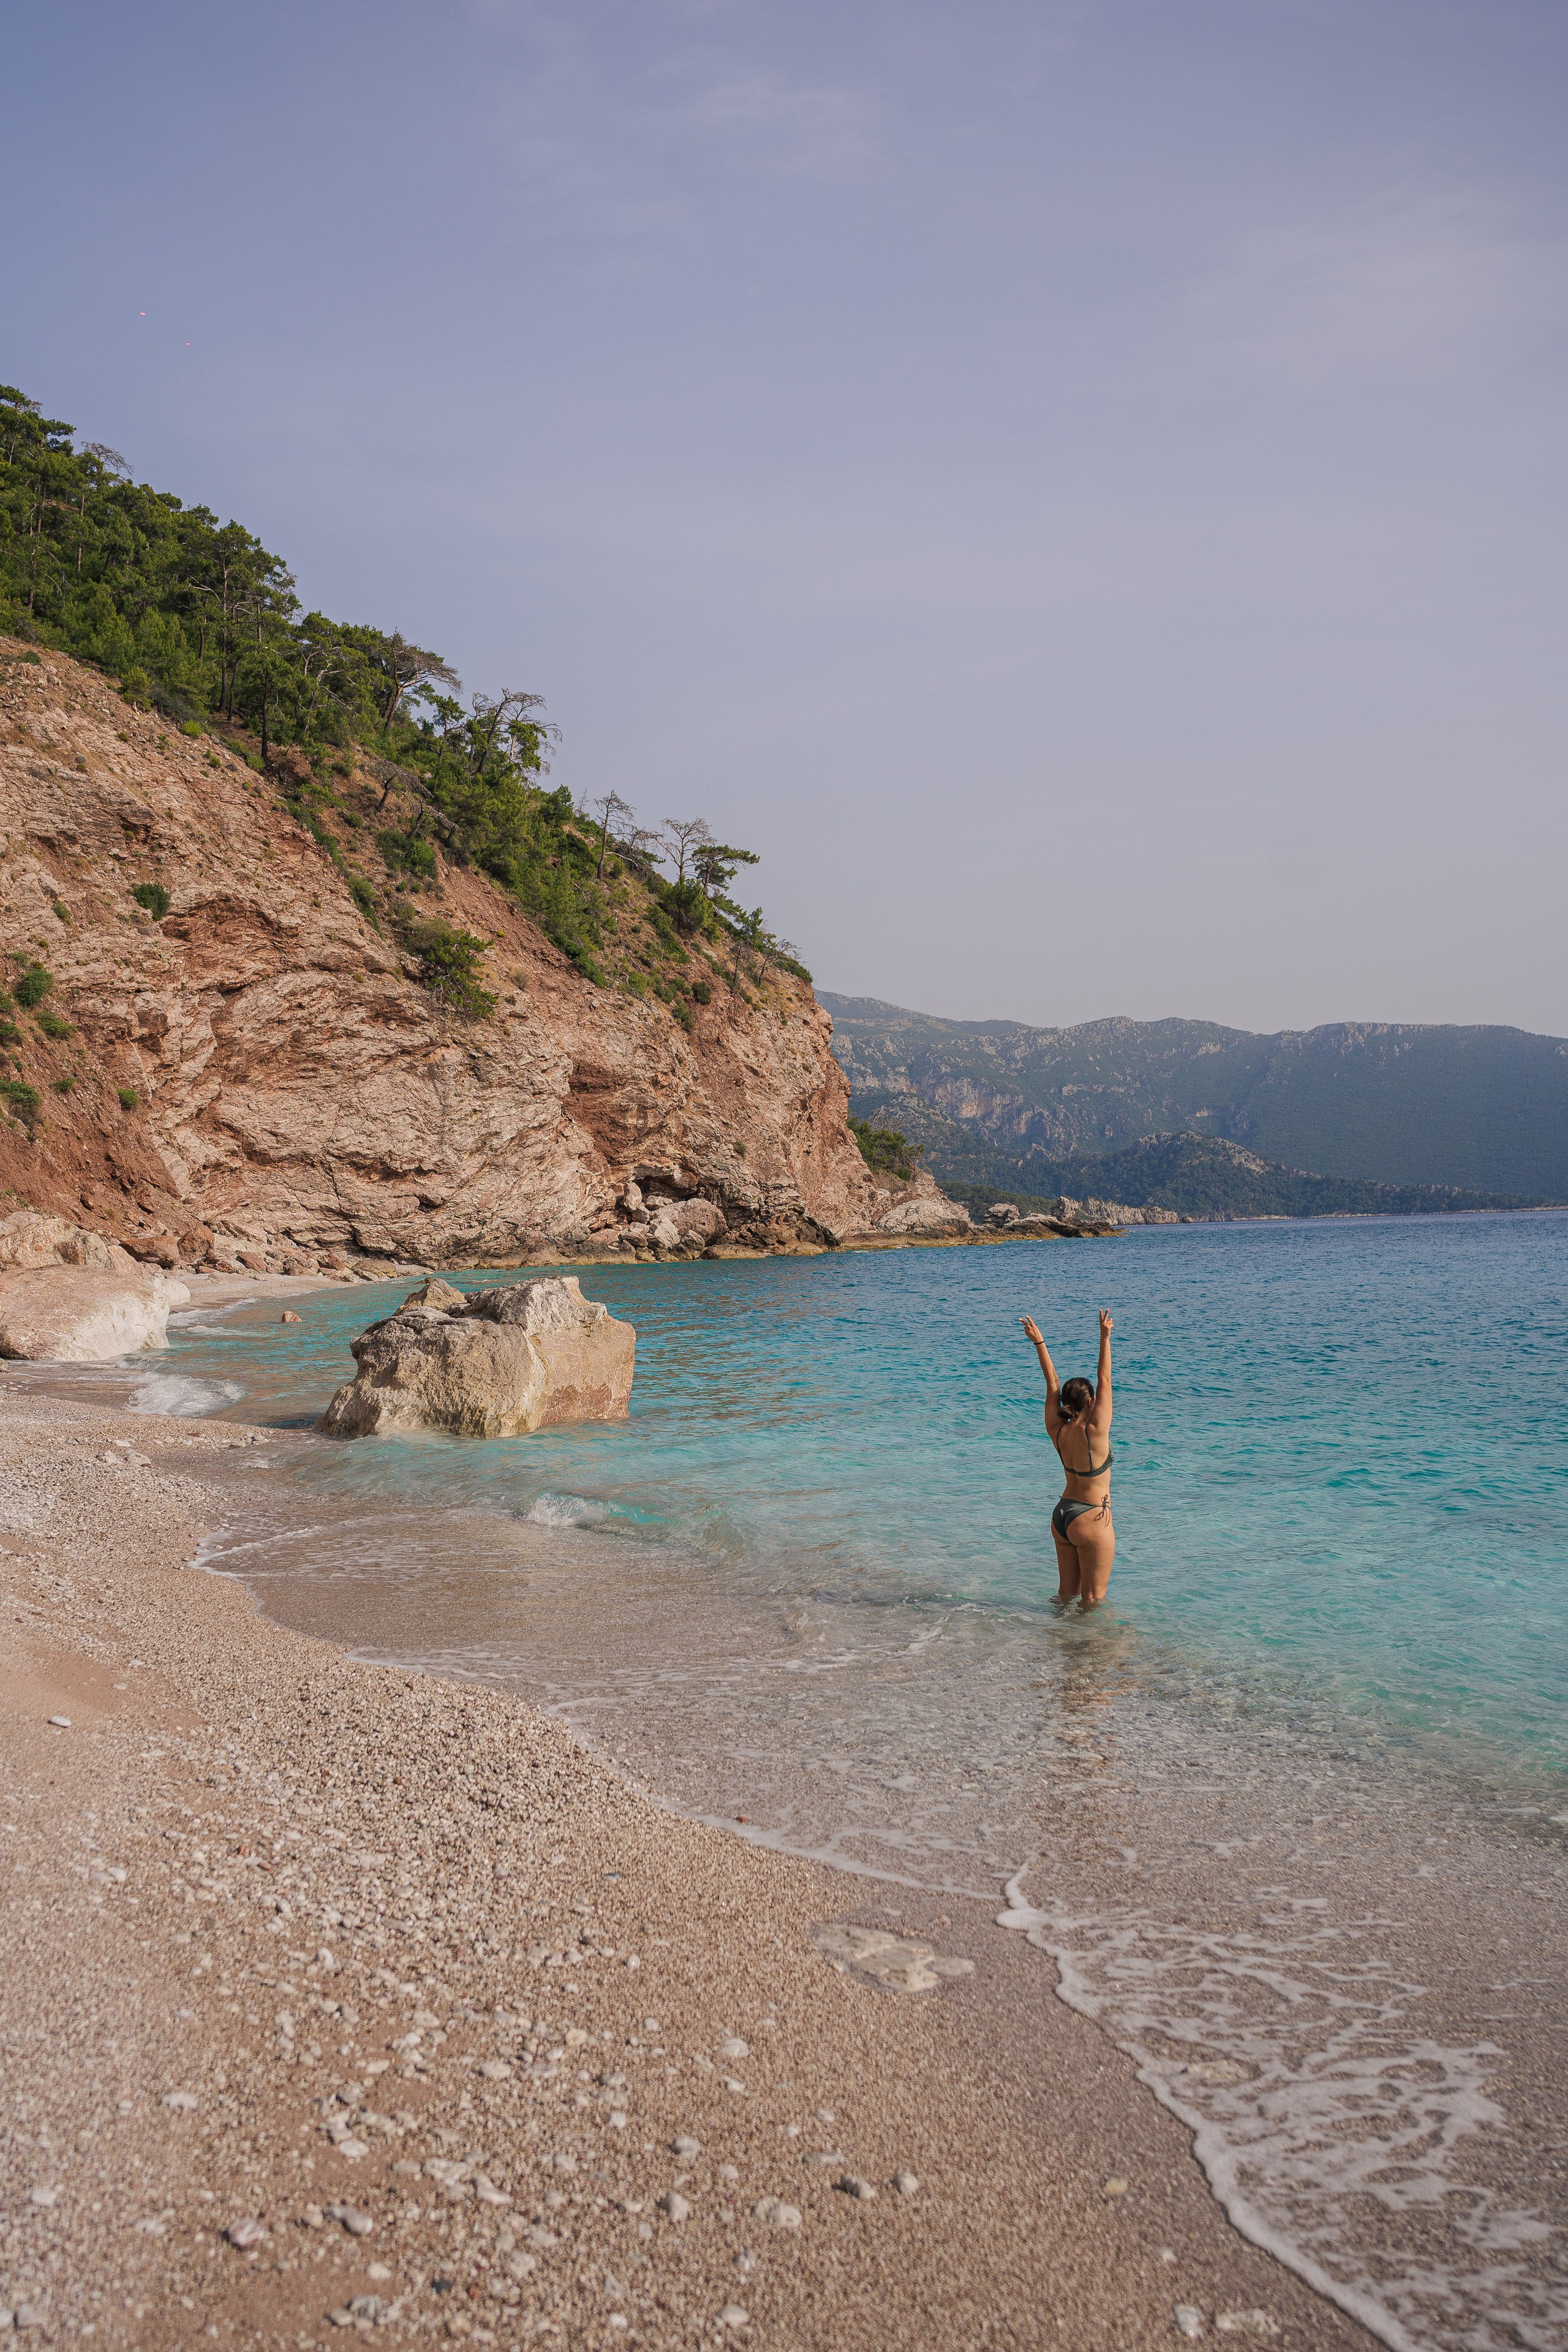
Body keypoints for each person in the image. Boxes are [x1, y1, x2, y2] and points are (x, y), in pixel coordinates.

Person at [1020, 1308, 1115, 1605]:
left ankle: (1055, 1644)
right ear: (1092, 1401)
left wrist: (1040, 1343)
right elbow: (1106, 1379)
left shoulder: (1056, 1429)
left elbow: (1051, 1383)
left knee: (1065, 1596)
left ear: (1065, 1401)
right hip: (1091, 1518)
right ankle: (1086, 1652)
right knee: (1093, 1600)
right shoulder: (1095, 1430)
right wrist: (1105, 1338)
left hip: (1062, 1515)